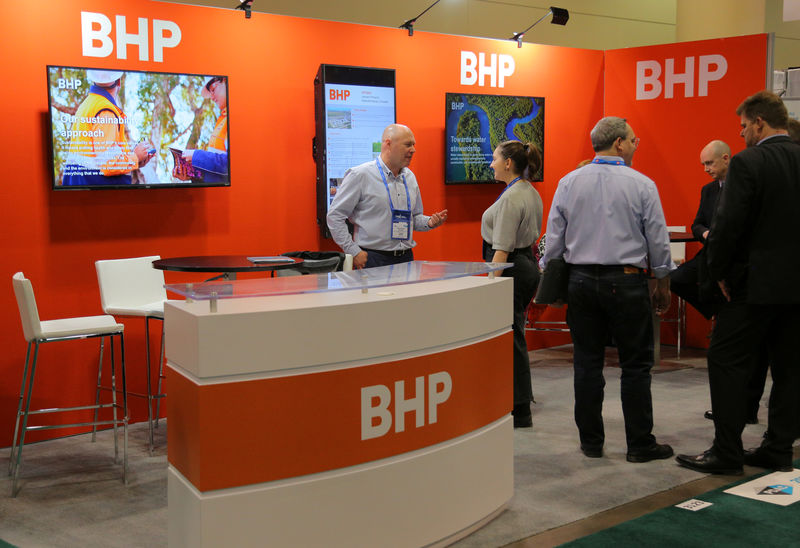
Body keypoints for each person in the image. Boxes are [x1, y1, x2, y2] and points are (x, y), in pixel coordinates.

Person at [676, 91, 800, 475]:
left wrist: (718, 276)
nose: (742, 133)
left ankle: (726, 451)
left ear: (759, 122)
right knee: (790, 369)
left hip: (753, 285)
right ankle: (778, 448)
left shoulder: (750, 162)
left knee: (726, 360)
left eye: (744, 126)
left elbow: (728, 227)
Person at [542, 116, 674, 463]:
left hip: (581, 282)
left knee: (586, 364)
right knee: (635, 365)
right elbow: (657, 239)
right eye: (633, 140)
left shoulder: (568, 182)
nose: (634, 145)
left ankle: (591, 442)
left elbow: (553, 239)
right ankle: (640, 444)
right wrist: (663, 281)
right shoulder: (642, 184)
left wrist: (552, 279)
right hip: (627, 281)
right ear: (618, 143)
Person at [481, 141, 544, 428]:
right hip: (526, 266)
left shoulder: (510, 198)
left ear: (508, 163)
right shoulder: (529, 192)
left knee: (513, 336)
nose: (490, 163)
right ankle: (518, 402)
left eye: (494, 159)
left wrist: (490, 286)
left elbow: (502, 249)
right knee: (515, 333)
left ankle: (519, 407)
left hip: (512, 268)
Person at [327, 124, 448, 268]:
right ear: (388, 144)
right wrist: (353, 251)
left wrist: (429, 222)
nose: (413, 150)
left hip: (406, 258)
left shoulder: (409, 177)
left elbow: (414, 218)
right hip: (373, 259)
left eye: (414, 145)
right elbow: (334, 216)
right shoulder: (360, 175)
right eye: (408, 145)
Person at [669, 140, 729, 320]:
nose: (705, 169)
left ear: (725, 159)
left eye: (709, 163)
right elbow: (696, 225)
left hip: (732, 255)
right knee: (675, 279)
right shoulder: (708, 190)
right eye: (703, 164)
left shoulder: (742, 187)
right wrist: (705, 233)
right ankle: (719, 312)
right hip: (709, 252)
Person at [61, 70, 154, 186]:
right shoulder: (105, 110)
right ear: (119, 82)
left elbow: (98, 158)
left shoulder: (87, 105)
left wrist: (136, 162)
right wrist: (136, 157)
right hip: (99, 196)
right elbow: (109, 164)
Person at [175, 76, 229, 183]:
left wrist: (196, 156)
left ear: (225, 81)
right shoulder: (222, 120)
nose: (212, 97)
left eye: (213, 90)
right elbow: (219, 174)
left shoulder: (234, 119)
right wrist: (193, 176)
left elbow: (231, 165)